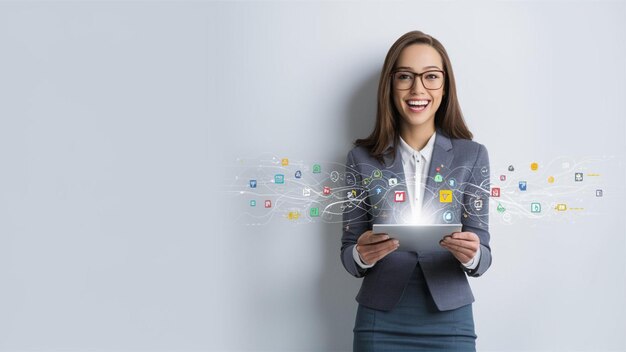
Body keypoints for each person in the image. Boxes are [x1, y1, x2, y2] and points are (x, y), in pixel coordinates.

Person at [340, 30, 492, 351]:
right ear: (390, 85)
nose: (418, 88)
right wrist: (361, 254)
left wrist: (472, 253)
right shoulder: (360, 159)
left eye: (431, 77)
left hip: (450, 318)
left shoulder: (472, 155)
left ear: (445, 86)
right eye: (405, 76)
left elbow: (484, 255)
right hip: (380, 320)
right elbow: (349, 254)